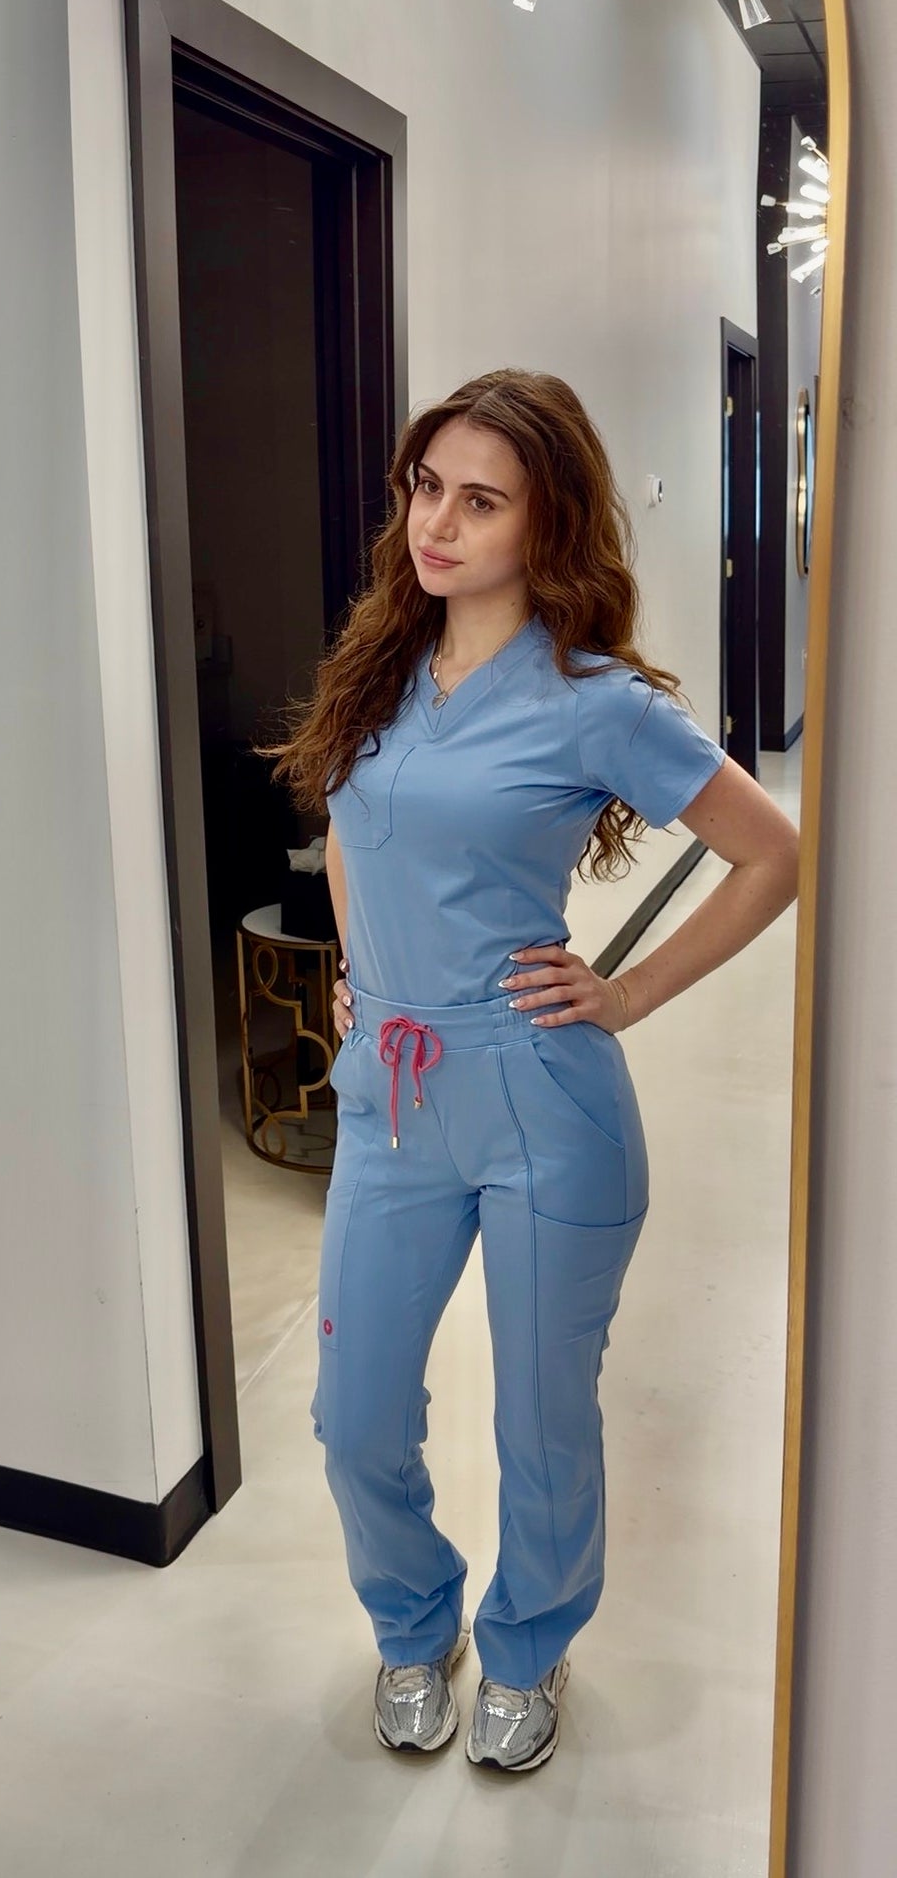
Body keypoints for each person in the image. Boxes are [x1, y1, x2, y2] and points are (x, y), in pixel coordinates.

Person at [261, 368, 799, 1773]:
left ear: (543, 522)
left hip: (538, 1094)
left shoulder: (592, 698)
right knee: (354, 1404)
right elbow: (360, 839)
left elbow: (773, 855)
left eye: (479, 499)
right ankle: (411, 1613)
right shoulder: (380, 657)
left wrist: (621, 992)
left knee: (542, 1408)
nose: (437, 522)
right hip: (390, 1090)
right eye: (426, 486)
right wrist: (359, 969)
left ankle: (527, 1639)